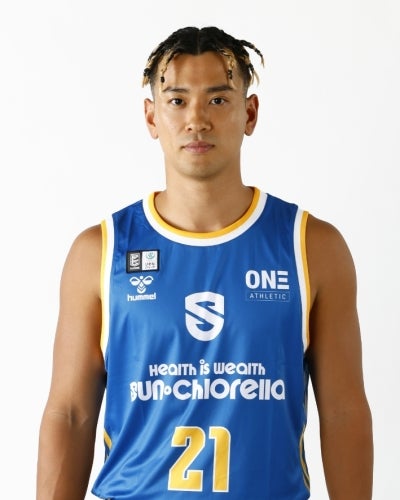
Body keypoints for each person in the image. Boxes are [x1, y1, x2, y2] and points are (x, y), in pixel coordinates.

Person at [36, 26, 373, 499]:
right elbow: (70, 413)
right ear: (151, 116)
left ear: (249, 113)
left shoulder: (312, 246)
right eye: (177, 101)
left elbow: (343, 411)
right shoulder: (101, 250)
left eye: (217, 100)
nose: (196, 119)